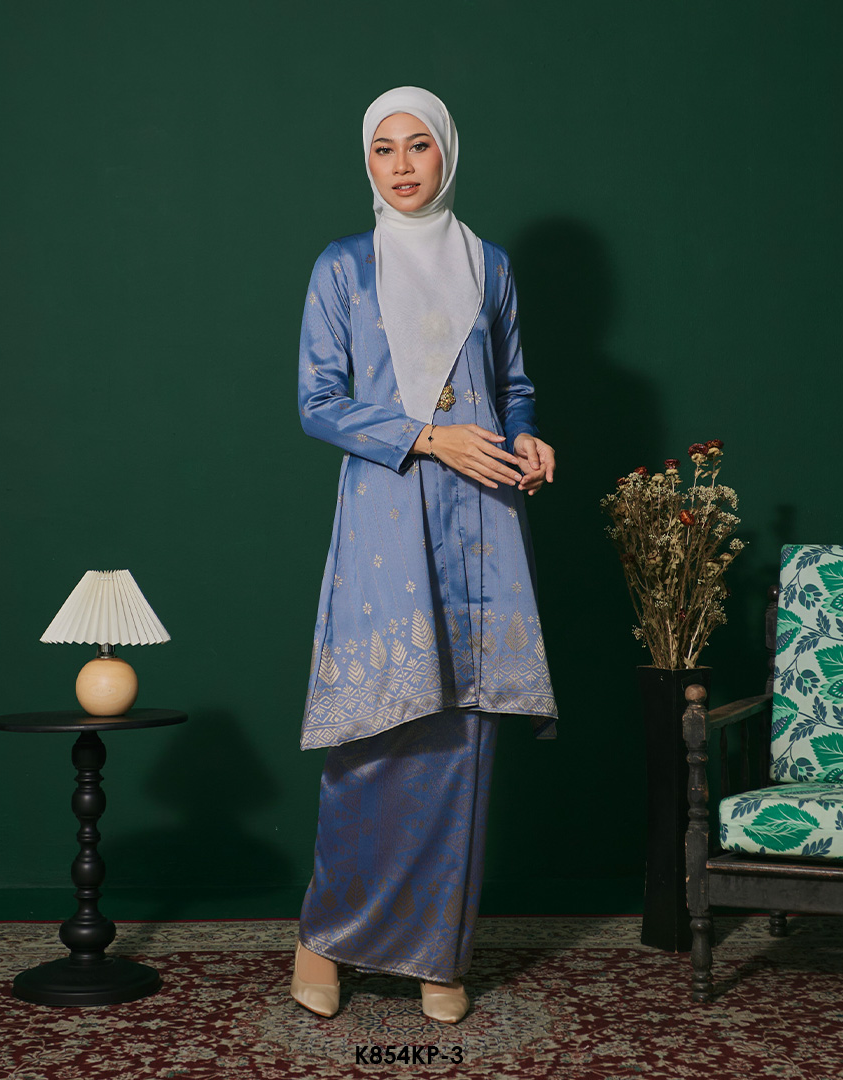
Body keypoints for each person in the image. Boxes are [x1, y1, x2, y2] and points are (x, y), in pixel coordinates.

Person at [292, 86, 557, 1024]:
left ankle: (438, 952)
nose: (402, 166)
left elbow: (513, 384)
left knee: (463, 737)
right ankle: (325, 939)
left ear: (447, 152)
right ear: (366, 161)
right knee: (377, 730)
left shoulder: (489, 264)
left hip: (485, 517)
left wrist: (526, 436)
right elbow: (318, 402)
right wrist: (429, 437)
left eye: (419, 147)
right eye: (383, 149)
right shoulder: (343, 266)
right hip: (388, 513)